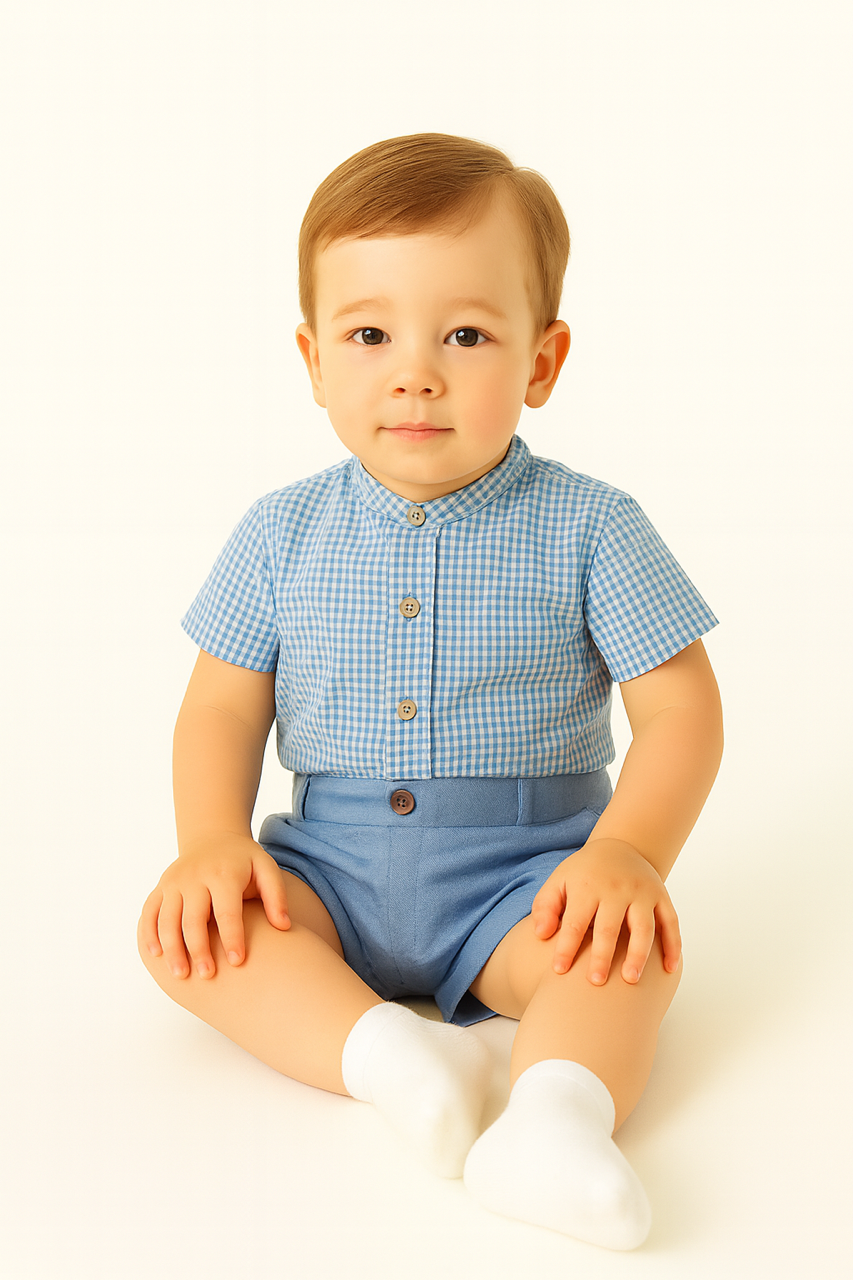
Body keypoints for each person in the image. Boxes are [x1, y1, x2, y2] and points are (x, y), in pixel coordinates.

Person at [138, 133, 723, 1251]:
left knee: (629, 949)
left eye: (465, 333)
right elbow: (220, 706)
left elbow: (681, 709)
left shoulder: (591, 524)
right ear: (312, 360)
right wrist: (210, 840)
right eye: (369, 334)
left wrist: (628, 854)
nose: (415, 371)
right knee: (187, 935)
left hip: (526, 878)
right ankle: (388, 1054)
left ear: (543, 361)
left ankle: (555, 1117)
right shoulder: (280, 531)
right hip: (329, 875)